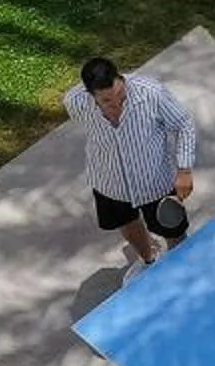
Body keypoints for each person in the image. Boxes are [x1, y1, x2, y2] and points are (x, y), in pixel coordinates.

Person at [64, 55, 197, 268]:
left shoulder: (151, 92)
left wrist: (184, 170)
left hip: (156, 181)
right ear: (91, 95)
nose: (117, 104)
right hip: (109, 182)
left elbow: (184, 124)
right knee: (126, 223)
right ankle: (148, 259)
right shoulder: (74, 102)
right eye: (107, 100)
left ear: (121, 79)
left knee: (174, 230)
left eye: (120, 95)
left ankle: (182, 266)